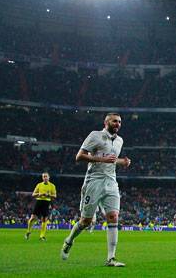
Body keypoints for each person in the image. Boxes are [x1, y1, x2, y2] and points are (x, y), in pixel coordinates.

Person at [61, 112, 131, 267]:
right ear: (106, 122)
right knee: (85, 221)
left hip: (111, 182)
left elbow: (111, 160)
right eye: (114, 121)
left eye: (119, 122)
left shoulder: (120, 140)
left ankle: (111, 258)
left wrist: (123, 162)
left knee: (113, 217)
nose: (118, 124)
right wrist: (101, 159)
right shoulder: (95, 136)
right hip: (94, 181)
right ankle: (69, 241)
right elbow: (79, 156)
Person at [25, 172, 57, 241]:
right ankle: (28, 231)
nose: (45, 178)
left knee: (44, 219)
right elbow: (33, 194)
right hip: (39, 201)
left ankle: (42, 236)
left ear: (49, 177)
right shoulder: (39, 185)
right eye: (44, 177)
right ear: (42, 178)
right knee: (33, 218)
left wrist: (48, 195)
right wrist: (39, 194)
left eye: (46, 176)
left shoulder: (52, 186)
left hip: (46, 202)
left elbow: (54, 196)